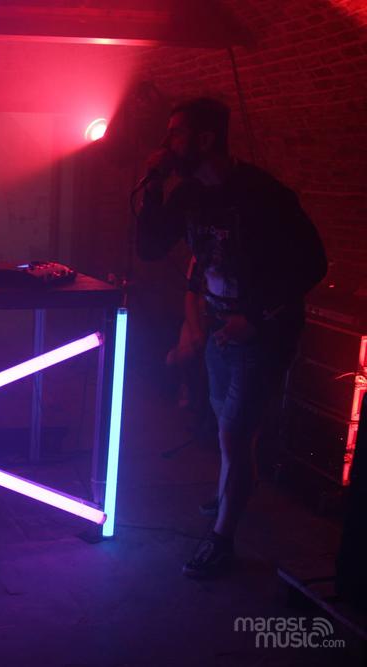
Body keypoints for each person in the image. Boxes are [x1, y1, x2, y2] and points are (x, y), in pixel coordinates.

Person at [136, 98, 327, 578]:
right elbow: (150, 247)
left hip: (263, 331)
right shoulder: (189, 194)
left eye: (176, 133)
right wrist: (153, 187)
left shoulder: (263, 193)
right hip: (222, 327)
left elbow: (312, 264)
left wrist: (256, 317)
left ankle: (221, 540)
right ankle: (232, 489)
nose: (167, 143)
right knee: (230, 427)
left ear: (205, 139)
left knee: (234, 433)